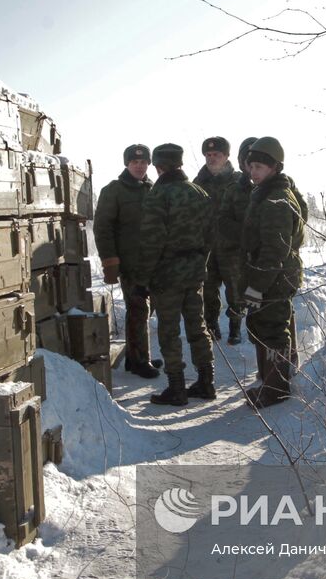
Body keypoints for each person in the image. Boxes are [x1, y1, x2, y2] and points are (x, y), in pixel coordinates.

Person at [129, 143, 215, 406]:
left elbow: (151, 243)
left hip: (167, 276)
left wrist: (142, 281)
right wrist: (200, 262)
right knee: (197, 327)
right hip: (195, 272)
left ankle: (176, 388)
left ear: (159, 166)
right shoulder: (200, 193)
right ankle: (206, 382)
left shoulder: (158, 196)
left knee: (169, 331)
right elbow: (211, 236)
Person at [240, 137, 307, 408]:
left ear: (274, 167)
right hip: (279, 275)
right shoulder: (275, 191)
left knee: (271, 329)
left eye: (259, 167)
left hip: (273, 277)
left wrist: (256, 286)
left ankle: (276, 390)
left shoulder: (275, 200)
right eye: (251, 166)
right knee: (272, 324)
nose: (253, 172)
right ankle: (273, 379)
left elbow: (273, 251)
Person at [93, 143, 160, 379]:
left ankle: (135, 355)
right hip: (129, 263)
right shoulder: (114, 190)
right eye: (135, 162)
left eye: (144, 163)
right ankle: (140, 360)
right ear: (127, 164)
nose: (140, 167)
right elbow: (102, 228)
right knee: (139, 308)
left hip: (151, 263)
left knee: (144, 309)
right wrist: (110, 262)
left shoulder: (153, 188)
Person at [194, 136, 245, 344]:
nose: (212, 158)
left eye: (217, 155)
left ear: (226, 156)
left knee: (235, 290)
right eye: (208, 155)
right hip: (207, 248)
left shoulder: (239, 181)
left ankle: (235, 328)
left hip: (232, 247)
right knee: (208, 291)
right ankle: (212, 327)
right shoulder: (198, 183)